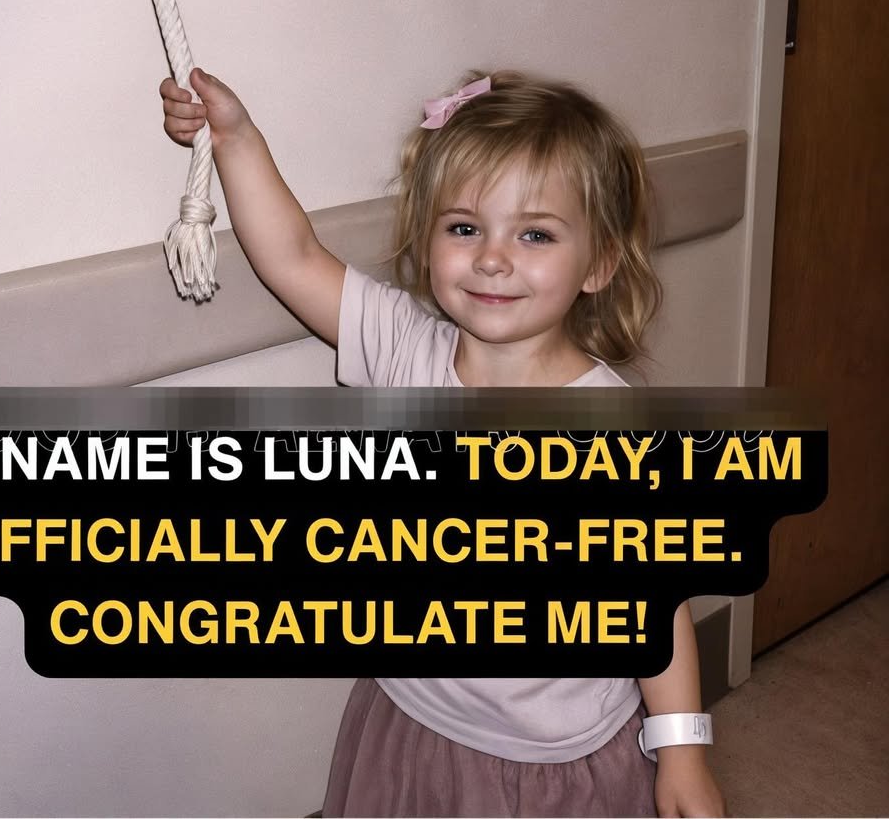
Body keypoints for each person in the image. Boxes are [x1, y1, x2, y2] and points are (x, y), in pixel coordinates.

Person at [161, 67, 726, 819]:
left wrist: (682, 748)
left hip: (549, 759)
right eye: (464, 228)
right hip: (408, 714)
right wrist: (234, 137)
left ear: (598, 263)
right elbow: (293, 257)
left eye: (534, 234)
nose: (492, 257)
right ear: (429, 238)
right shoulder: (403, 347)